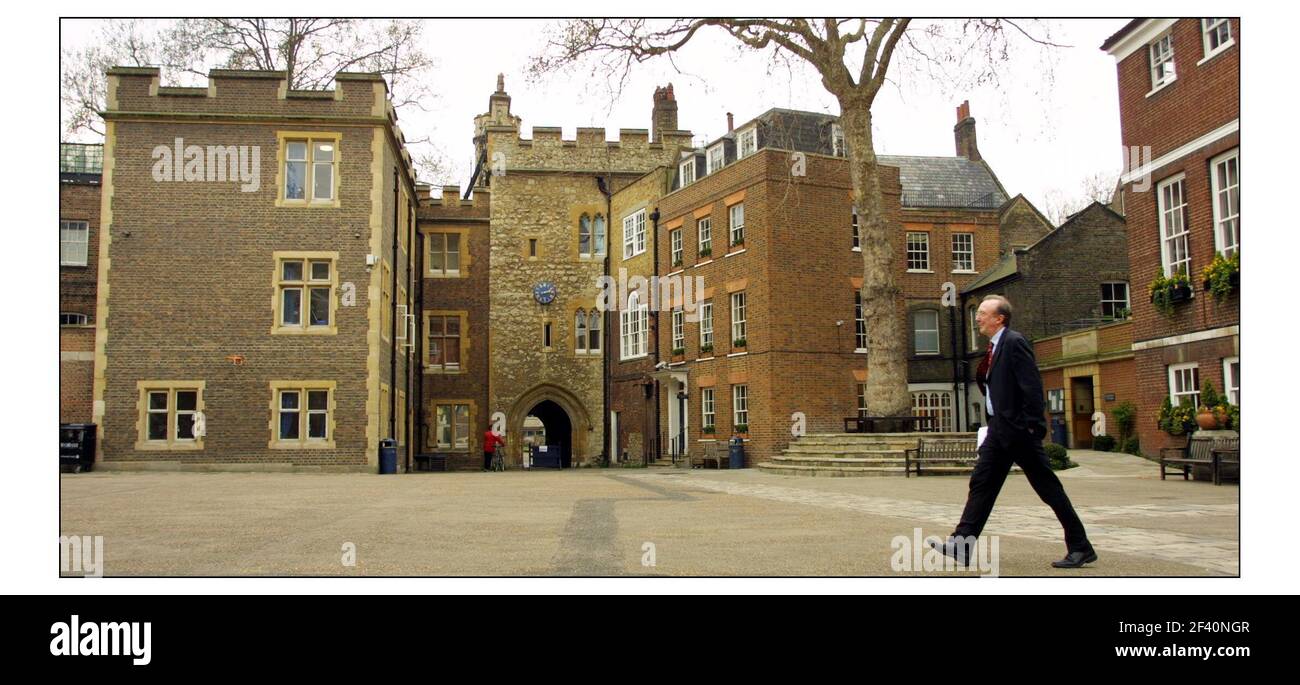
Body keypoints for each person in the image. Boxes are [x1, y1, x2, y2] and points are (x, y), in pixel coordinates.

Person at [933, 295, 1098, 569]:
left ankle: (1081, 547)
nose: (977, 317)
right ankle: (962, 543)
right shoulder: (995, 348)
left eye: (983, 313)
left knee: (1048, 489)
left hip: (1018, 431)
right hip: (998, 430)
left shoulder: (1014, 342)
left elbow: (1032, 387)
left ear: (1000, 318)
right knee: (982, 483)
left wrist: (1032, 426)